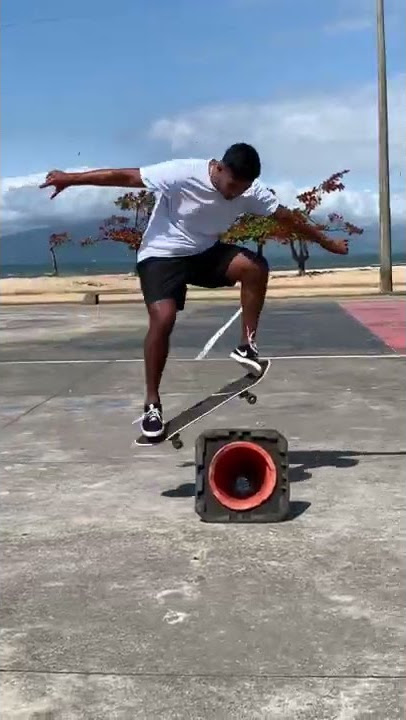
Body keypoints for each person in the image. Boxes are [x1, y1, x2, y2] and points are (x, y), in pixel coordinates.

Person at [40, 143, 348, 438]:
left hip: (204, 254)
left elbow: (288, 218)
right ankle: (151, 405)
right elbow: (126, 176)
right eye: (232, 186)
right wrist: (71, 179)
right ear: (219, 167)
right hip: (161, 254)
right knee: (164, 318)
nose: (235, 194)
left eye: (243, 189)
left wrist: (327, 243)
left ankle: (247, 345)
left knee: (255, 267)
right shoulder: (181, 172)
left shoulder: (251, 192)